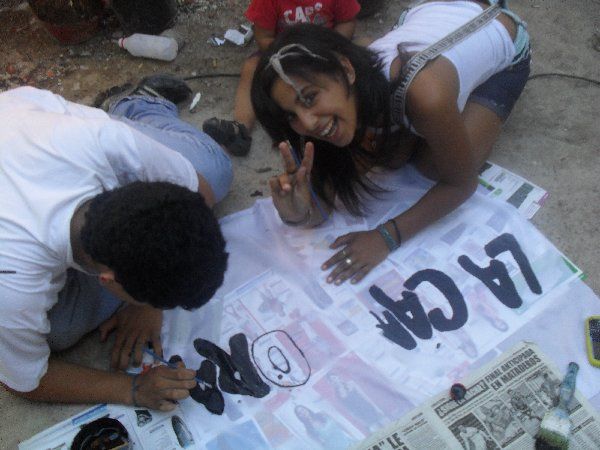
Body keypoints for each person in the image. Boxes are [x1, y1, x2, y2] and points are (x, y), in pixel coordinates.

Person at [251, 0, 531, 285]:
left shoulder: (425, 95)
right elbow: (326, 196)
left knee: (433, 166)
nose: (308, 123)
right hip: (428, 18)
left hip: (496, 31)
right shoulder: (343, 96)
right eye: (292, 115)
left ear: (346, 69)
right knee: (390, 154)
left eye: (310, 98)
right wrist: (297, 213)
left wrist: (386, 237)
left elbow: (461, 184)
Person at [0, 75, 233, 411]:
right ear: (107, 280)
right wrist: (132, 388)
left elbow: (200, 194)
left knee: (215, 171)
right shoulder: (13, 284)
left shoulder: (112, 144)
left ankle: (139, 106)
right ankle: (137, 104)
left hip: (25, 123)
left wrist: (146, 305)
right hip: (17, 228)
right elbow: (26, 380)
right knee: (57, 333)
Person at [202, 0, 361, 157]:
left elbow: (347, 21)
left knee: (363, 48)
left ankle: (359, 107)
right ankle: (240, 128)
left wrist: (326, 49)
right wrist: (291, 58)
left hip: (325, 51)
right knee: (252, 66)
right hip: (281, 59)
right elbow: (263, 38)